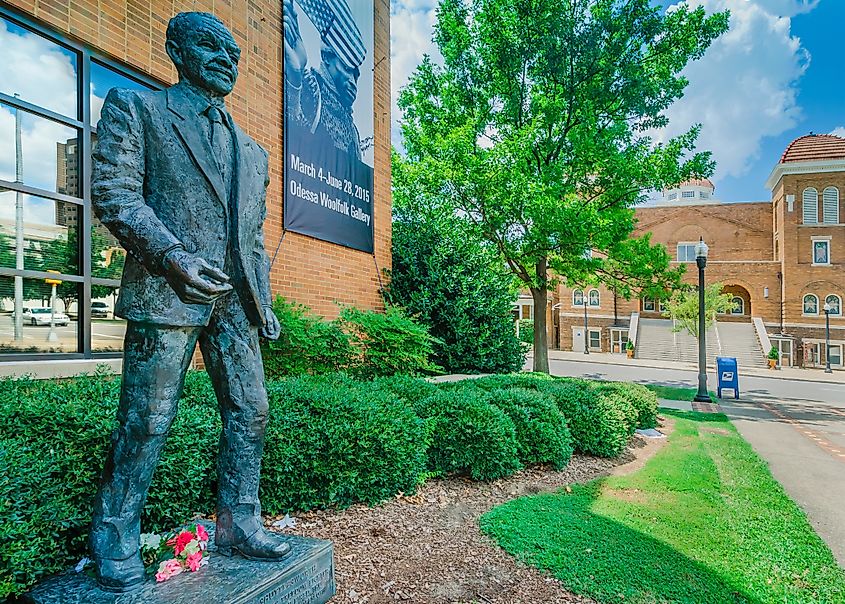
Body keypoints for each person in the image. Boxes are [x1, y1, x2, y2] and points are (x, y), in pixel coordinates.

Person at [89, 11, 288, 593]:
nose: (228, 59)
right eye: (212, 47)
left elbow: (250, 239)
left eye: (235, 52)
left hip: (233, 303)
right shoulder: (139, 109)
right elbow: (115, 194)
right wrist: (173, 257)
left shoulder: (252, 151)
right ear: (177, 50)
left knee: (251, 411)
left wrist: (263, 301)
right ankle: (115, 532)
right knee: (147, 419)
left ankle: (238, 521)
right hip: (166, 288)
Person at [284, 0, 366, 160]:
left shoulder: (352, 128)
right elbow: (295, 136)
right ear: (327, 56)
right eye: (348, 69)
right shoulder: (311, 90)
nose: (353, 82)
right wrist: (294, 82)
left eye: (356, 75)